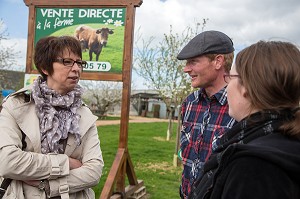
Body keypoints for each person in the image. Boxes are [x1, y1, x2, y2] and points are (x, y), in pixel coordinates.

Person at [189, 40, 300, 199]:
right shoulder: (285, 139)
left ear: (246, 87)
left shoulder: (253, 166)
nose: (226, 88)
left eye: (230, 78)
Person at [0, 35, 104, 198]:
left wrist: (47, 184)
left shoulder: (84, 114)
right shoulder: (16, 106)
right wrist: (66, 163)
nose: (76, 69)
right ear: (45, 67)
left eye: (79, 62)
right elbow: (7, 162)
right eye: (67, 62)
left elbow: (94, 171)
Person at [177, 30, 237, 199]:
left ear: (218, 61)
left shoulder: (244, 105)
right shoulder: (189, 103)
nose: (186, 69)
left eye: (193, 62)